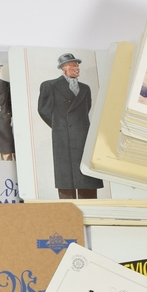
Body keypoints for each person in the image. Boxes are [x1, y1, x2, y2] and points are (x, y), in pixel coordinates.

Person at [38, 53, 103, 199]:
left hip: (83, 136)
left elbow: (86, 110)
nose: (77, 68)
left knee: (86, 179)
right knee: (66, 180)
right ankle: (68, 210)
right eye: (73, 65)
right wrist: (60, 127)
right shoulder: (50, 85)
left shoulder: (85, 88)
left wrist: (76, 127)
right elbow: (43, 110)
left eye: (77, 65)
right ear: (63, 68)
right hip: (63, 138)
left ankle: (89, 210)